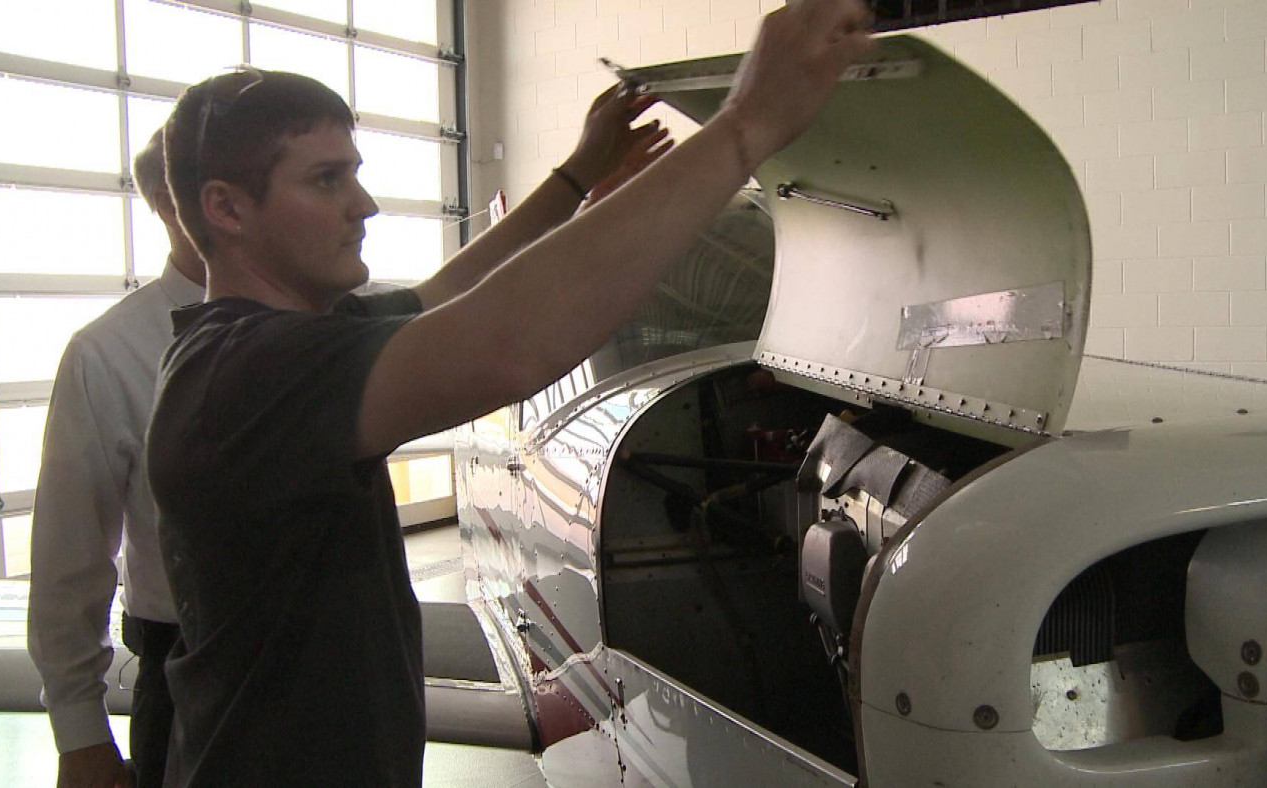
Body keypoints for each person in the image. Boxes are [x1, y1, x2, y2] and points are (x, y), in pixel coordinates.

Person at [147, 2, 873, 785]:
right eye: (327, 179)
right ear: (226, 208)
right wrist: (744, 126)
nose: (364, 204)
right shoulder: (248, 375)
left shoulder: (278, 344)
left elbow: (451, 292)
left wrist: (577, 178)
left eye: (354, 173)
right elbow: (506, 345)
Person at [28, 128, 207, 788]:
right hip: (185, 681)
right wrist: (80, 731)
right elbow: (70, 561)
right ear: (169, 201)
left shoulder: (331, 322)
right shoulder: (108, 354)